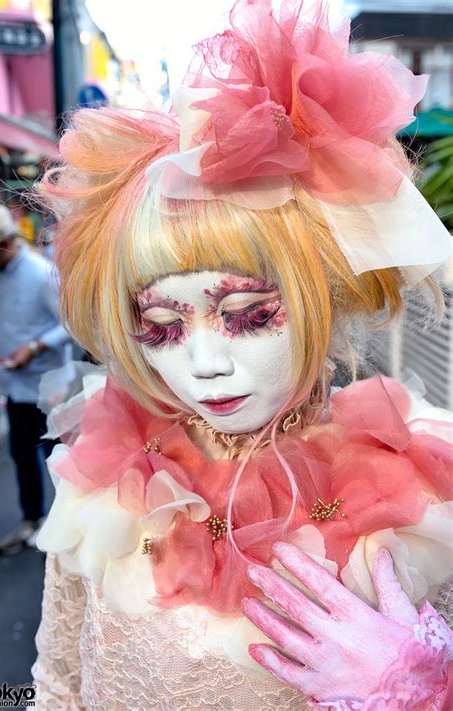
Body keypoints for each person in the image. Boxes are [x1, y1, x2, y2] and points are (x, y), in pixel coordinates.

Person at [31, 0, 453, 708]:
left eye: (249, 314)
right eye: (161, 324)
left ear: (321, 292)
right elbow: (57, 682)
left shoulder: (421, 492)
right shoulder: (108, 478)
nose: (203, 364)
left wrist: (428, 687)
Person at [0, 204, 71, 555]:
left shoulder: (39, 273)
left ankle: (67, 528)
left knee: (59, 460)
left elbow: (70, 324)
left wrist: (34, 346)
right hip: (13, 386)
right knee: (22, 456)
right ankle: (31, 519)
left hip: (51, 385)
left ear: (4, 243)